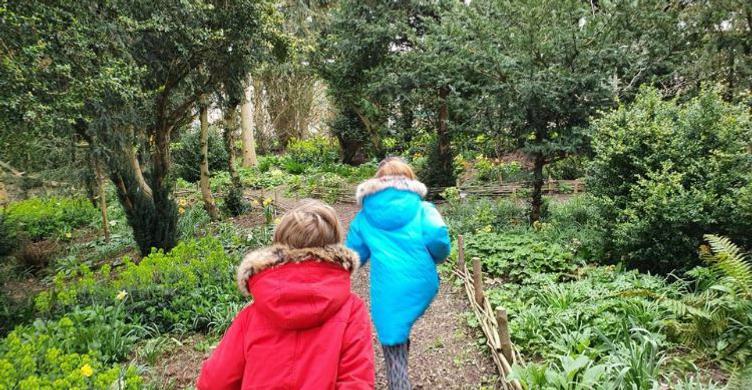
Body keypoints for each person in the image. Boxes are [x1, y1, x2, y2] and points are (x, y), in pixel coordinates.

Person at [197, 199, 375, 389]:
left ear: (278, 247)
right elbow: (356, 382)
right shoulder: (352, 311)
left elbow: (214, 381)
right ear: (335, 248)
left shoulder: (252, 315)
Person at [346, 157, 451, 390]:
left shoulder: (365, 217)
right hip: (423, 282)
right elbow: (438, 239)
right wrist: (435, 259)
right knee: (400, 329)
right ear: (409, 180)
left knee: (392, 339)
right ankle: (402, 344)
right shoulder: (424, 209)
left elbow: (352, 256)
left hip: (389, 292)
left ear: (378, 181)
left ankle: (399, 381)